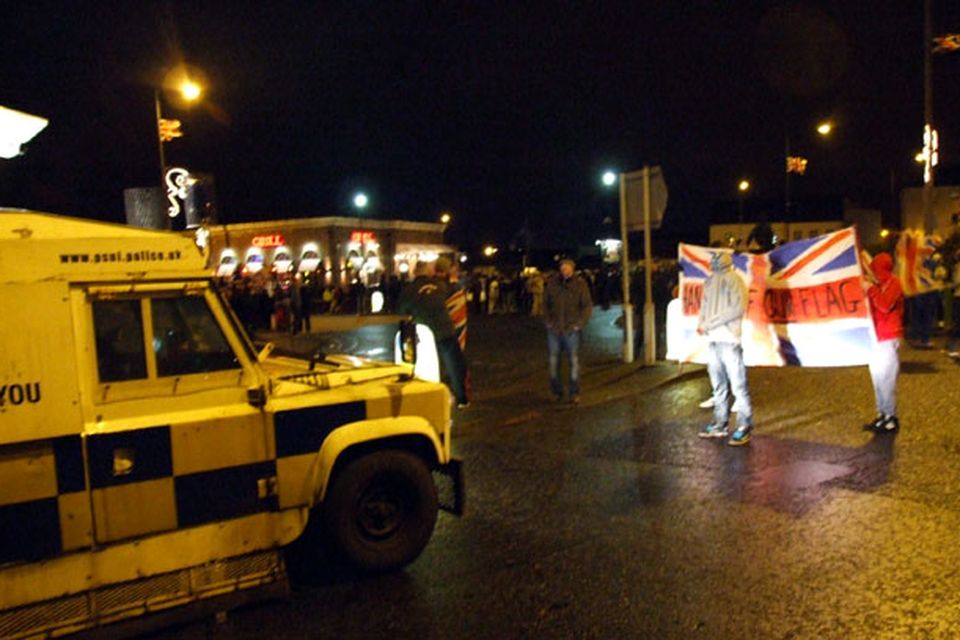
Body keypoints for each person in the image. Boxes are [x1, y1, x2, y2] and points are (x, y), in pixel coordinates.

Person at [697, 252, 753, 446]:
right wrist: (702, 323)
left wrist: (709, 323)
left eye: (715, 260)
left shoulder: (734, 280)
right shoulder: (710, 282)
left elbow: (737, 308)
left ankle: (744, 426)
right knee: (718, 385)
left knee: (738, 385)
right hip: (714, 339)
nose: (713, 263)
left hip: (729, 339)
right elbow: (704, 306)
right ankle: (720, 423)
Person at [397, 261, 470, 408]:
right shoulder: (440, 286)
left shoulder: (408, 291)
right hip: (446, 329)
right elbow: (453, 293)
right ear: (428, 272)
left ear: (414, 273)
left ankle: (424, 396)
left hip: (424, 334)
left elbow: (401, 311)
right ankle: (462, 399)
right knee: (454, 365)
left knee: (422, 365)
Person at [863, 252, 904, 433]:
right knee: (878, 379)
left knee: (886, 379)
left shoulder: (894, 283)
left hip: (888, 336)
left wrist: (870, 290)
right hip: (876, 337)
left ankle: (890, 416)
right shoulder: (879, 284)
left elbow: (885, 304)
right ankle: (882, 414)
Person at [544, 258, 593, 404]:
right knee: (554, 361)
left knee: (574, 361)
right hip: (554, 329)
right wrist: (548, 321)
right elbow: (545, 304)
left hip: (572, 329)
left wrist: (579, 324)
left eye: (568, 268)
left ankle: (574, 391)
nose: (565, 270)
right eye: (563, 268)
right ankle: (557, 391)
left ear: (572, 269)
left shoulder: (580, 284)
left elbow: (587, 305)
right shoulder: (552, 284)